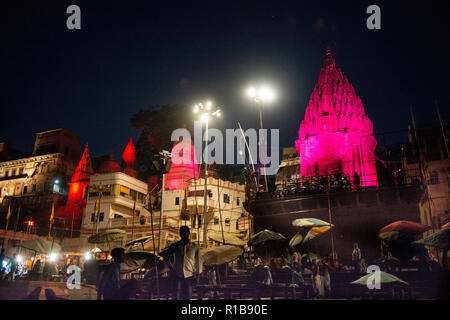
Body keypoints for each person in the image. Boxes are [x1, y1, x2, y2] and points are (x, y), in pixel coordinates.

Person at [164, 226, 202, 300]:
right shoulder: (174, 246)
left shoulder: (194, 247)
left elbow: (199, 261)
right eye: (181, 232)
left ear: (189, 233)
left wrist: (198, 275)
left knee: (187, 296)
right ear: (180, 234)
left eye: (185, 232)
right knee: (176, 296)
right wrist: (171, 268)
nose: (183, 234)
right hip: (177, 275)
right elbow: (167, 258)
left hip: (189, 276)